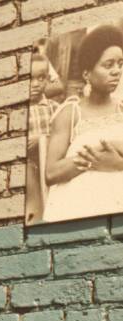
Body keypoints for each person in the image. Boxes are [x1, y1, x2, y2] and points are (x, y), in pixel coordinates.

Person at [44, 25, 123, 223]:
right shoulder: (71, 113)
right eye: (108, 65)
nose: (116, 72)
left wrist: (117, 164)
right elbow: (51, 172)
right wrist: (93, 159)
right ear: (87, 74)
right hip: (81, 202)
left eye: (120, 64)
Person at [26, 53, 60, 224]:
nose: (36, 84)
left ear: (47, 79)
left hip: (49, 167)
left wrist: (42, 139)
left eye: (41, 78)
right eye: (30, 78)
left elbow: (63, 136)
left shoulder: (54, 108)